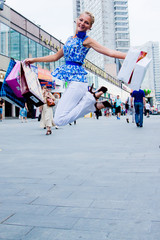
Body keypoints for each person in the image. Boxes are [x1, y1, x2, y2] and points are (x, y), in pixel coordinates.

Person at [24, 11, 126, 127]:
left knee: (58, 121)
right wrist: (34, 60)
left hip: (78, 82)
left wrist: (131, 56)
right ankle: (92, 105)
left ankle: (90, 100)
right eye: (81, 20)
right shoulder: (69, 39)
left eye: (86, 23)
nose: (82, 23)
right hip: (71, 82)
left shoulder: (87, 40)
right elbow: (55, 56)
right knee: (59, 118)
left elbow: (110, 52)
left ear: (90, 26)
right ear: (76, 20)